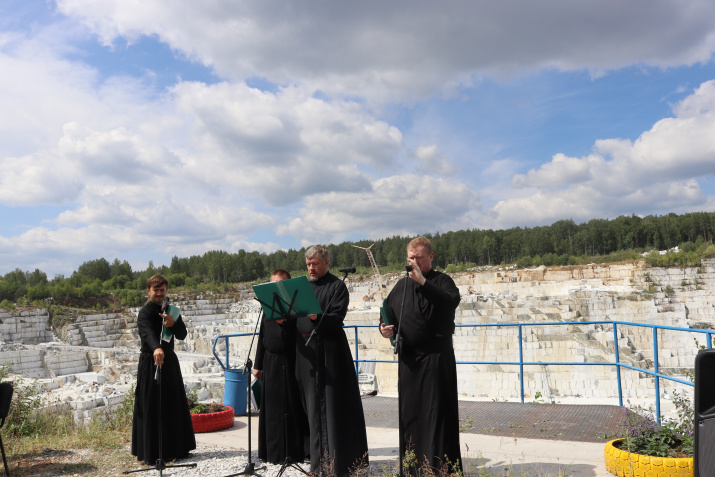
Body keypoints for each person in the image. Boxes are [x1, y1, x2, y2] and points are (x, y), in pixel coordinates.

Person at [380, 237, 462, 473]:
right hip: (409, 363)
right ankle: (413, 469)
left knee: (437, 418)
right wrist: (384, 329)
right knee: (412, 418)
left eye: (420, 258)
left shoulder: (442, 281)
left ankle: (439, 470)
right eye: (411, 258)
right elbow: (389, 316)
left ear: (431, 257)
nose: (414, 262)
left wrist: (423, 281)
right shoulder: (401, 286)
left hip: (436, 361)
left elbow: (450, 302)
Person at [295, 245, 369, 474]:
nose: (311, 268)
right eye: (308, 264)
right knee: (311, 409)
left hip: (330, 354)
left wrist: (318, 317)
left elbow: (337, 318)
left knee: (333, 409)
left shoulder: (338, 287)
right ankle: (316, 461)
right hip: (306, 354)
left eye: (315, 264)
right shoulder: (303, 288)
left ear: (326, 262)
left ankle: (337, 462)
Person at [131, 274, 195, 465]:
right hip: (151, 362)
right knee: (152, 406)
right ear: (148, 291)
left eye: (162, 290)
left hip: (169, 362)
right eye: (155, 290)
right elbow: (147, 333)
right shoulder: (144, 312)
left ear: (166, 291)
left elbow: (182, 334)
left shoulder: (172, 310)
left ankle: (176, 449)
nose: (159, 293)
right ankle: (152, 452)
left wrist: (172, 324)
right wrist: (156, 348)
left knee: (173, 404)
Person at [253, 269, 309, 465]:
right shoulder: (269, 305)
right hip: (270, 362)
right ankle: (272, 451)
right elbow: (262, 337)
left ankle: (293, 451)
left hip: (290, 361)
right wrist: (258, 364)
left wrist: (284, 323)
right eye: (273, 284)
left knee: (291, 405)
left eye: (280, 284)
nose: (276, 288)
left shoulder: (297, 306)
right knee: (271, 408)